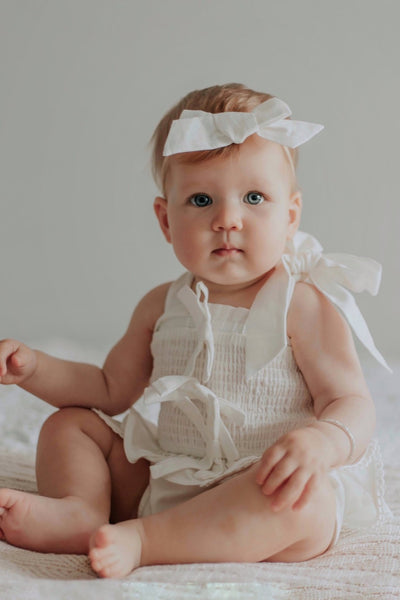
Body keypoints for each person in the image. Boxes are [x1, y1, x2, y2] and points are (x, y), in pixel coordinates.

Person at [0, 83, 392, 579]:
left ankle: (145, 540)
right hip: (168, 470)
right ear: (165, 220)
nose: (228, 220)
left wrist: (323, 443)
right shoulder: (161, 304)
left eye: (254, 197)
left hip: (262, 483)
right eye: (202, 199)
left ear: (290, 216)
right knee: (70, 425)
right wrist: (34, 368)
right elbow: (109, 389)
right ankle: (81, 510)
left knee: (308, 505)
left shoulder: (305, 304)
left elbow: (351, 402)